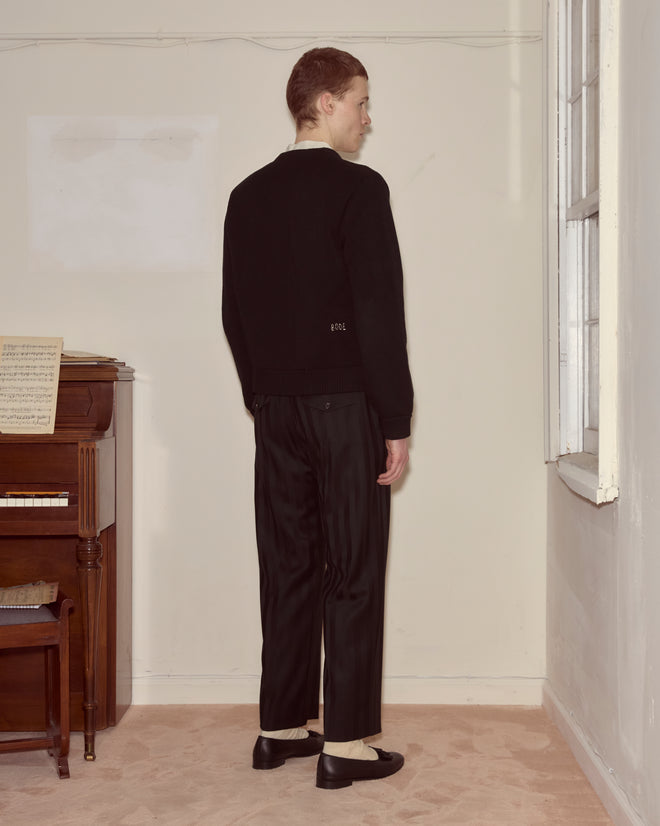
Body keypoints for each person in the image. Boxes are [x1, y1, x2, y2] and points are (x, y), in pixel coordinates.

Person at [222, 46, 413, 790]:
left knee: (288, 563)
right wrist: (394, 419)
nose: (369, 118)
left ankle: (278, 729)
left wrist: (263, 396)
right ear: (324, 102)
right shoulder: (359, 190)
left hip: (276, 410)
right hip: (343, 409)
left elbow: (235, 314)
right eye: (360, 102)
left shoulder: (248, 194)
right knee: (353, 568)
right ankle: (346, 745)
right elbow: (377, 313)